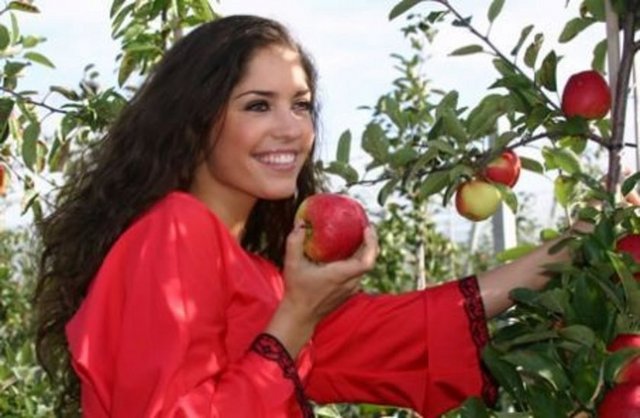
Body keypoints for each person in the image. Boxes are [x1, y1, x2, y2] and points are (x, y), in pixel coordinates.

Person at [33, 15, 588, 418]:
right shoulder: (176, 230)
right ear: (194, 121)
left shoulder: (257, 275)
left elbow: (392, 335)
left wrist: (570, 249)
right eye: (258, 105)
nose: (292, 129)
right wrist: (296, 316)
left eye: (300, 105)